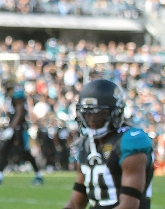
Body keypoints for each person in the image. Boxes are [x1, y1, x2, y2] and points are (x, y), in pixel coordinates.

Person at [62, 79, 154, 209]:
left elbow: (129, 206)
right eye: (88, 114)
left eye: (100, 113)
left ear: (116, 112)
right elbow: (75, 204)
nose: (92, 119)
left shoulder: (129, 141)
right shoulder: (86, 144)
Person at [0, 78, 44, 185]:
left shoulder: (17, 95)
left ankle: (39, 175)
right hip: (13, 128)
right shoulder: (9, 96)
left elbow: (20, 113)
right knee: (3, 150)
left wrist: (11, 128)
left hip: (19, 129)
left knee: (25, 153)